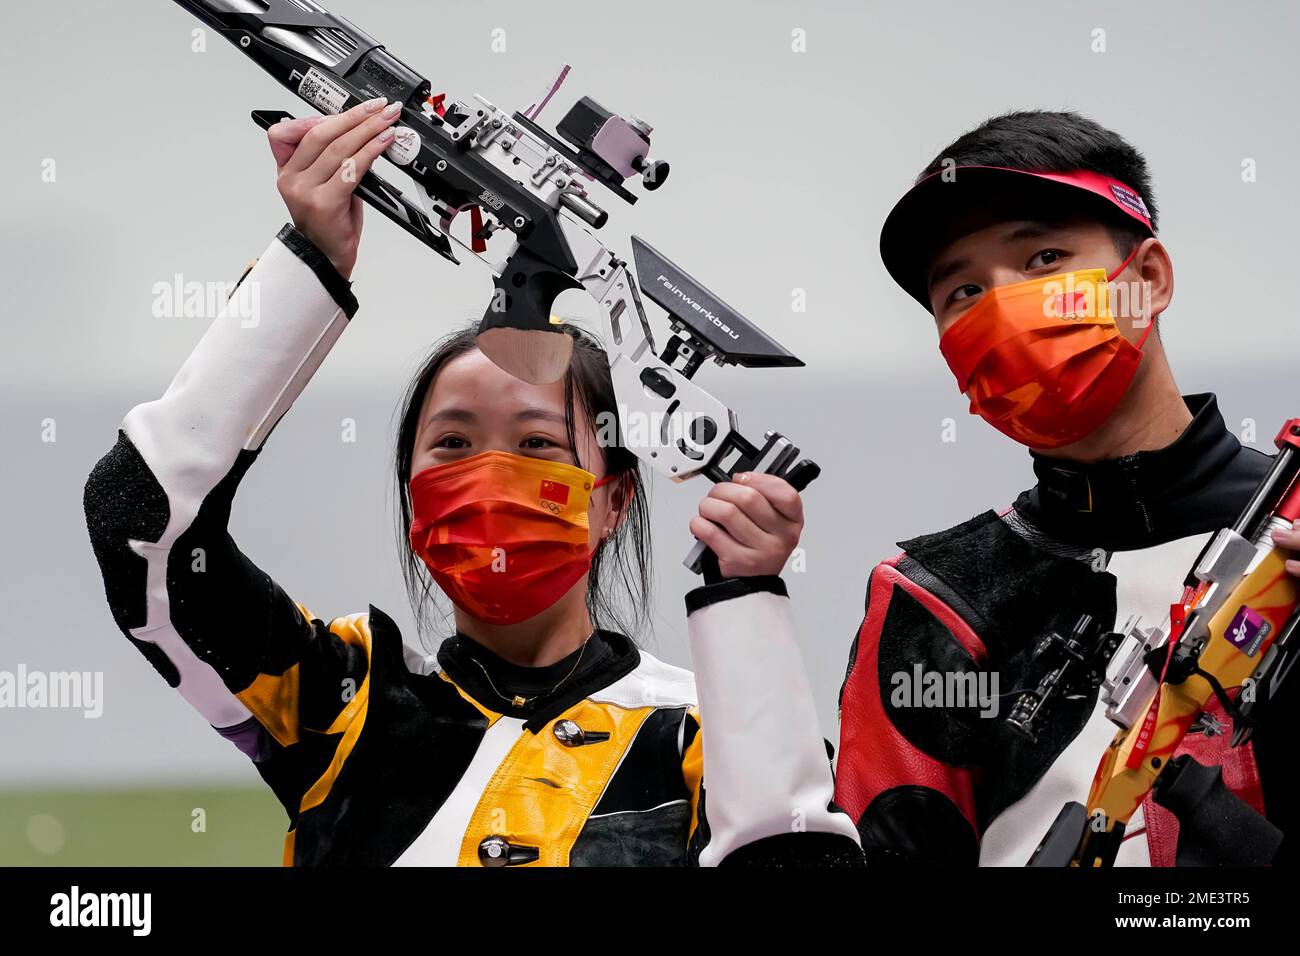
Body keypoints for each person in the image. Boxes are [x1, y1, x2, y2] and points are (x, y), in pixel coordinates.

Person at [83, 96, 862, 866]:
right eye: (452, 443)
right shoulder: (343, 700)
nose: (490, 476)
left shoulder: (706, 740)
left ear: (616, 498)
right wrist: (307, 266)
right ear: (410, 491)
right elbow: (139, 520)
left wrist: (744, 602)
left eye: (538, 443)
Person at [835, 110, 1297, 866]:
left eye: (1044, 257)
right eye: (962, 292)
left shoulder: (1296, 520)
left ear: (1146, 279)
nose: (1004, 310)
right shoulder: (932, 600)